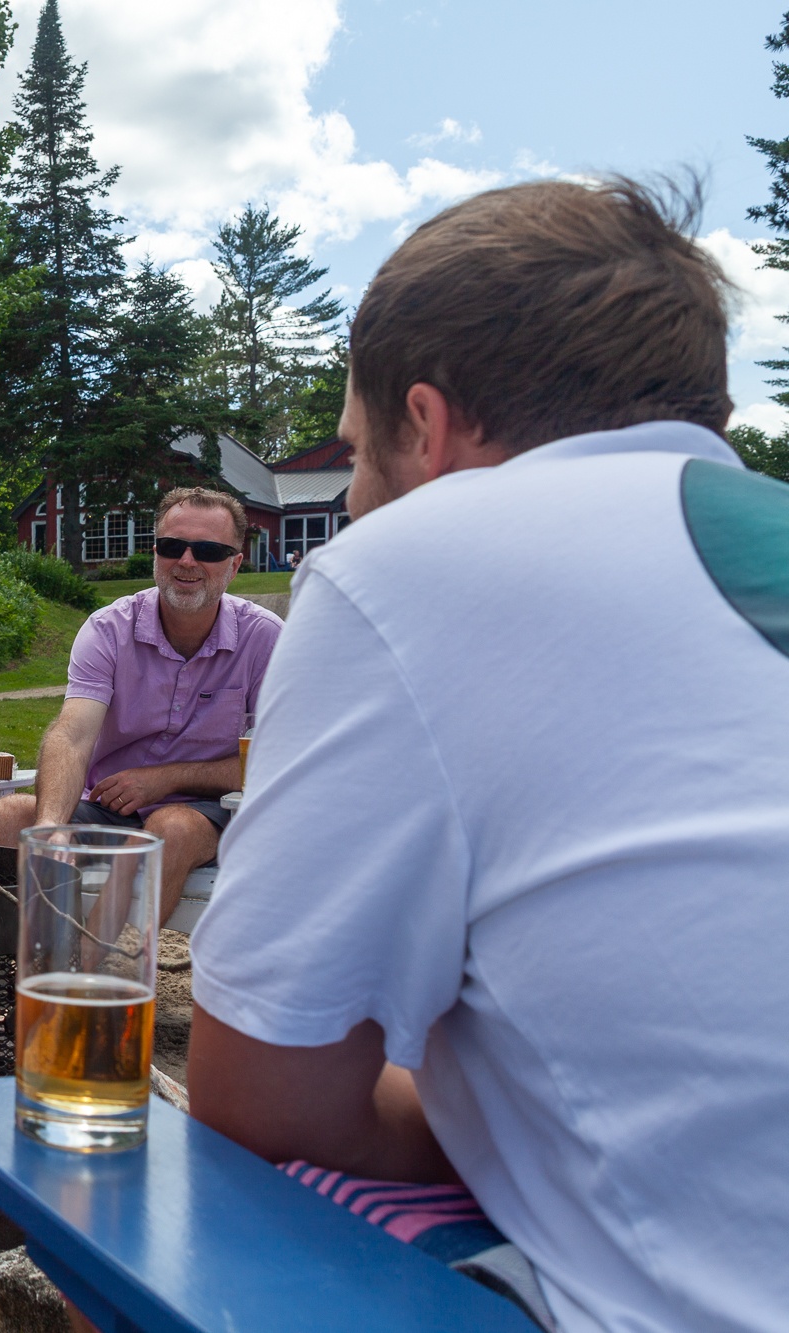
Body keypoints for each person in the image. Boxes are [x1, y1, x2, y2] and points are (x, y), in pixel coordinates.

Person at [187, 178, 789, 1332]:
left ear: (429, 425)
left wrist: (483, 1114)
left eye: (357, 457)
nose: (354, 498)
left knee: (152, 1209)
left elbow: (262, 1096)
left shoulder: (416, 556)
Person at [0, 488, 282, 923]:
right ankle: (34, 962)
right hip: (107, 806)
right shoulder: (108, 630)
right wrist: (50, 830)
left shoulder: (265, 639)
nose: (187, 561)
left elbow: (278, 761)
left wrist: (165, 780)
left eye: (209, 550)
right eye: (172, 546)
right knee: (10, 816)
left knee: (170, 829)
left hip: (209, 812)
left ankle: (99, 977)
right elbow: (72, 734)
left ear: (235, 563)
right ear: (154, 552)